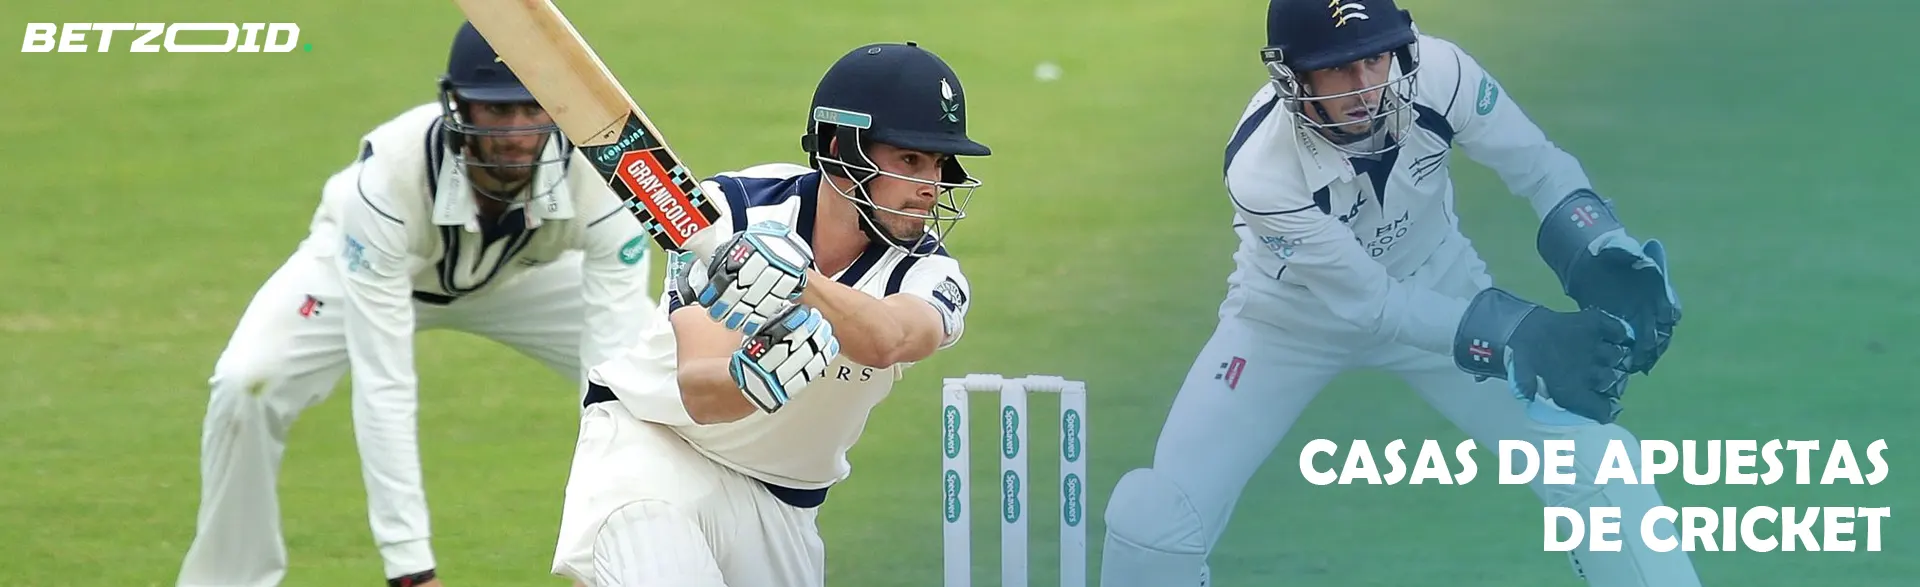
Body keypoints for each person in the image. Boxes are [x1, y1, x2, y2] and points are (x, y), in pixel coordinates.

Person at [1096, 0, 1696, 585]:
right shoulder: (1260, 170)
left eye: (1376, 60)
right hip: (1284, 323)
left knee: (1601, 468)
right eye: (1337, 68)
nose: (1364, 87)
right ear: (1292, 78)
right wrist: (1521, 334)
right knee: (1152, 521)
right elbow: (1373, 305)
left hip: (1440, 284)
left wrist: (1598, 246)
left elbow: (1538, 166)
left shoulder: (1443, 74)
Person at [176, 22, 658, 587]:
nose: (518, 133)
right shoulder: (385, 181)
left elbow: (609, 388)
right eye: (496, 112)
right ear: (458, 107)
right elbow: (386, 386)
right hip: (371, 269)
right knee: (247, 383)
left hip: (522, 275)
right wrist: (410, 570)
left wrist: (595, 551)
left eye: (533, 108)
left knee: (650, 385)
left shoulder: (606, 175)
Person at [547, 41, 988, 587]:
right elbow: (701, 393)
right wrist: (751, 379)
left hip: (782, 502)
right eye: (910, 160)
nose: (931, 185)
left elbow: (891, 339)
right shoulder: (728, 212)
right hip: (655, 453)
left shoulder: (932, 275)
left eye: (940, 163)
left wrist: (802, 286)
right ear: (841, 153)